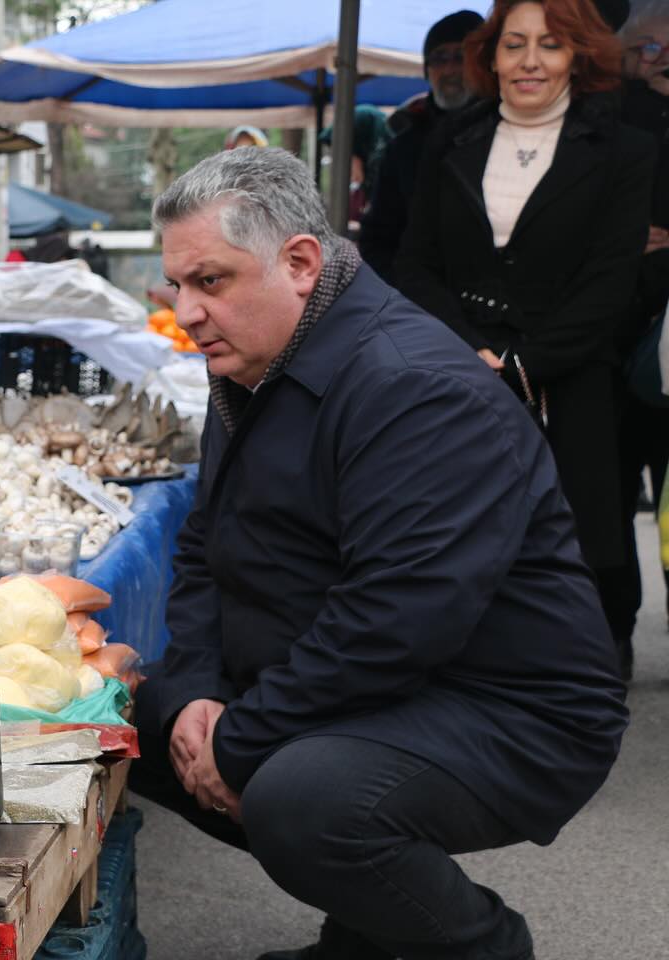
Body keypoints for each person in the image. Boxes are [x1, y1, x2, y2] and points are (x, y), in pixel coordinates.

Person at [129, 147, 627, 960]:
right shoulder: (253, 368)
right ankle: (361, 936)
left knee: (304, 800)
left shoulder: (412, 386)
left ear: (299, 263)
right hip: (385, 679)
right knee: (134, 720)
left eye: (210, 281)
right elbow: (200, 549)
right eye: (176, 285)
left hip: (512, 709)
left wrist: (241, 737)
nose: (186, 311)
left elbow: (398, 618)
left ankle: (480, 945)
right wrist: (192, 700)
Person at [394, 0, 655, 677]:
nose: (531, 60)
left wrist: (520, 365)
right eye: (514, 44)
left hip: (575, 382)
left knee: (576, 559)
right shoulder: (447, 139)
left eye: (551, 43)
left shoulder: (627, 150)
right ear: (492, 56)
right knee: (458, 548)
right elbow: (414, 263)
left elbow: (611, 281)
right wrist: (467, 349)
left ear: (579, 55)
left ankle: (574, 700)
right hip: (456, 375)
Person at [604, 0, 669, 645]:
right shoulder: (608, 117)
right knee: (610, 500)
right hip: (613, 339)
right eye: (648, 48)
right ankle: (613, 637)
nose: (660, 60)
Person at [359, 10, 484, 282]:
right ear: (427, 70)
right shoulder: (404, 146)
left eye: (461, 57)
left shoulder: (509, 133)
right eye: (439, 58)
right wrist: (407, 293)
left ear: (484, 64)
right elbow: (377, 239)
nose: (451, 70)